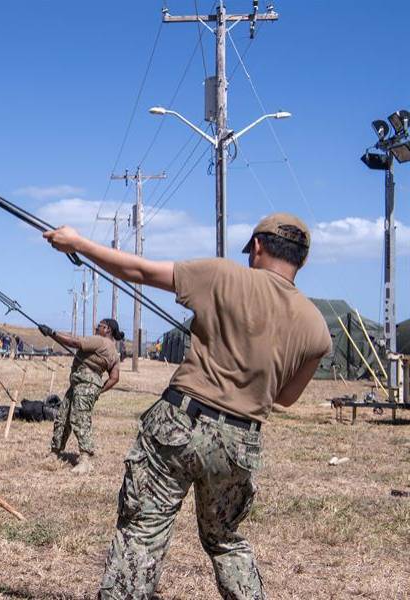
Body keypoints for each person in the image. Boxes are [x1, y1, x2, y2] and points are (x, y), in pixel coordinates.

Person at [44, 213, 331, 600]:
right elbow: (285, 398)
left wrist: (78, 244)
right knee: (225, 539)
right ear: (303, 259)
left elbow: (138, 270)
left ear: (258, 247)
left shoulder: (223, 276)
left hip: (179, 422)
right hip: (238, 442)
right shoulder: (317, 328)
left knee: (143, 532)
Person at [38, 319, 123, 474]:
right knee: (63, 417)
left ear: (108, 329)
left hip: (84, 384)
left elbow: (75, 342)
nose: (97, 328)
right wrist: (98, 390)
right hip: (83, 385)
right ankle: (55, 453)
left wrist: (52, 333)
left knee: (80, 419)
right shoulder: (114, 352)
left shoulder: (101, 341)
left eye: (100, 326)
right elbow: (114, 378)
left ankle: (85, 459)